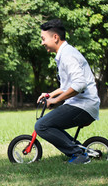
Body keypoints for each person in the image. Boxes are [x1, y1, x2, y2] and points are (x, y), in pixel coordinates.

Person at [35, 19, 100, 164]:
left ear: (55, 37)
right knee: (47, 124)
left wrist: (57, 100)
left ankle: (79, 155)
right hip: (80, 103)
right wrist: (51, 94)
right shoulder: (64, 54)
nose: (42, 43)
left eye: (43, 39)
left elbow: (79, 84)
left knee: (42, 126)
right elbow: (68, 85)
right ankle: (80, 150)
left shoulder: (68, 55)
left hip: (83, 105)